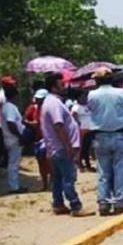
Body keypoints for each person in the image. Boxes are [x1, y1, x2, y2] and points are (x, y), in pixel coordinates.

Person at [87, 68, 123, 214]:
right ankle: (119, 202)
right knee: (120, 169)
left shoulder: (92, 95)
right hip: (120, 135)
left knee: (102, 171)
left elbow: (91, 110)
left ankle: (103, 203)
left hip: (100, 136)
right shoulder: (121, 93)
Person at [40, 72, 86, 215]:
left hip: (55, 147)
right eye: (61, 84)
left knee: (57, 177)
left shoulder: (52, 101)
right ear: (53, 87)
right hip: (61, 147)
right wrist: (68, 146)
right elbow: (58, 126)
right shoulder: (53, 103)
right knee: (69, 177)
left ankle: (58, 203)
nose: (64, 86)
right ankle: (75, 205)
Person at [0, 85, 27, 195]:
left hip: (12, 138)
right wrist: (20, 136)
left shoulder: (8, 107)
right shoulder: (9, 107)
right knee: (13, 164)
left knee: (14, 163)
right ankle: (13, 187)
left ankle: (15, 185)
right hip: (13, 139)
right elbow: (11, 123)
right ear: (15, 96)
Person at [25, 88, 52, 191]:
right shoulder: (33, 108)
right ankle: (45, 183)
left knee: (50, 162)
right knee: (41, 162)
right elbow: (25, 119)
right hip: (38, 138)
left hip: (49, 139)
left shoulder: (50, 108)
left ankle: (52, 182)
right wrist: (32, 124)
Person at [71, 91, 96, 172]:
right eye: (82, 96)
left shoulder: (87, 106)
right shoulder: (76, 107)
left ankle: (88, 163)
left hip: (89, 130)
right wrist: (78, 126)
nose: (84, 98)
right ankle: (80, 164)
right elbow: (73, 118)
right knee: (80, 148)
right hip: (81, 130)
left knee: (87, 147)